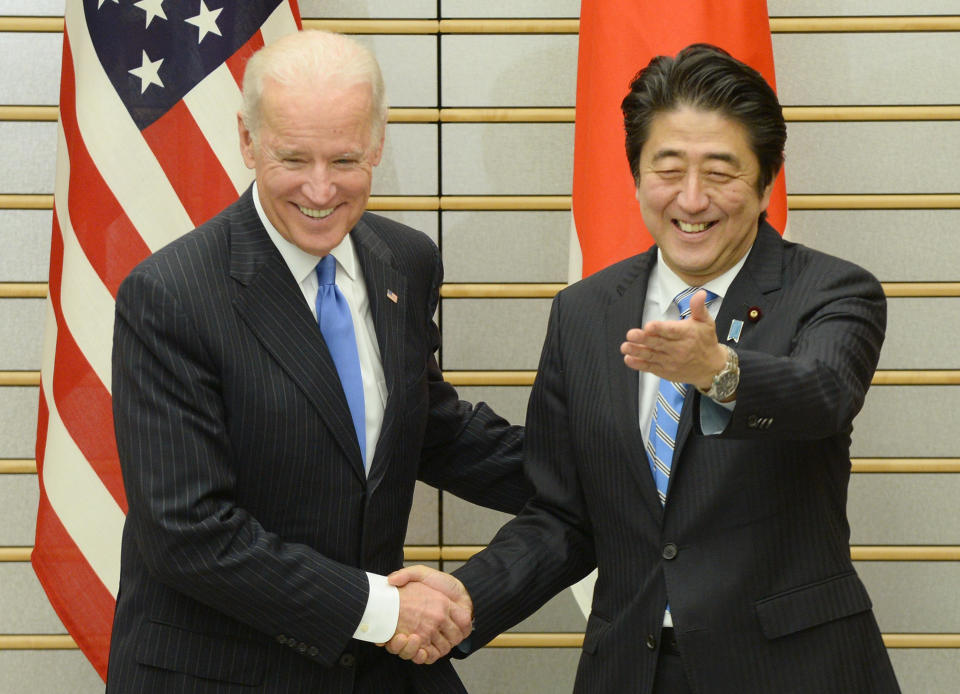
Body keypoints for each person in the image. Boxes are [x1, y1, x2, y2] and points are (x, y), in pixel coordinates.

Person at [388, 44, 901, 693]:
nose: (691, 198)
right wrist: (467, 598)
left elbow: (822, 395)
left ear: (767, 178)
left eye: (720, 171)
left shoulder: (832, 292)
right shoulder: (583, 313)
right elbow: (566, 515)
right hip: (631, 669)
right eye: (668, 168)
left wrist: (719, 371)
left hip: (795, 671)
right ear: (635, 175)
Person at [106, 30, 529, 694]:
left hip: (372, 672)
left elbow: (431, 430)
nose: (321, 189)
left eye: (346, 159)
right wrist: (383, 610)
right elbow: (186, 532)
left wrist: (607, 471)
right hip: (222, 673)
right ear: (248, 142)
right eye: (293, 158)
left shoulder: (405, 261)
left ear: (379, 143)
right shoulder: (171, 295)